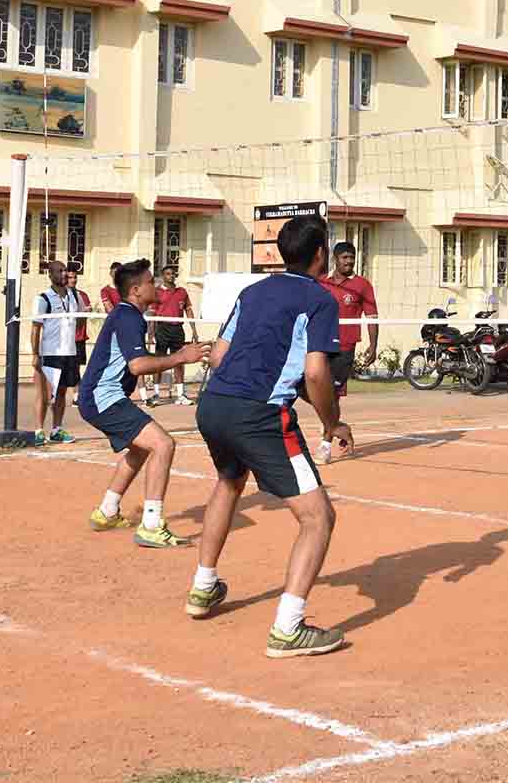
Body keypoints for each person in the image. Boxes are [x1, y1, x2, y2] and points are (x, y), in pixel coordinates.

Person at [187, 214, 352, 657]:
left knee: (229, 482)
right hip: (258, 414)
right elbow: (316, 373)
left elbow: (218, 356)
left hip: (213, 403)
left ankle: (203, 587)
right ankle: (288, 628)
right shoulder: (319, 300)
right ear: (321, 254)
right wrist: (332, 423)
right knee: (318, 518)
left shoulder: (253, 291)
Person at [78, 258, 208, 546]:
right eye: (151, 282)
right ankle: (151, 524)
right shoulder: (128, 316)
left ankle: (107, 511)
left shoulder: (128, 315)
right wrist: (180, 357)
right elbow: (137, 366)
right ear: (136, 290)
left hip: (99, 397)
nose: (157, 285)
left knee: (140, 449)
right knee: (163, 444)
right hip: (103, 398)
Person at [316, 241, 378, 465]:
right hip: (320, 345)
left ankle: (325, 444)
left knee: (333, 395)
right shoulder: (321, 282)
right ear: (335, 259)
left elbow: (372, 317)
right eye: (345, 257)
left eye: (352, 257)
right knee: (312, 391)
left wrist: (373, 345)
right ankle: (337, 427)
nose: (349, 261)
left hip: (344, 348)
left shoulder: (362, 285)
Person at [30, 259, 79, 444]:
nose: (64, 274)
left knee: (61, 393)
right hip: (50, 353)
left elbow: (80, 318)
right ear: (50, 275)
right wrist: (35, 354)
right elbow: (35, 328)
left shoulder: (74, 296)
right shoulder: (43, 298)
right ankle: (38, 431)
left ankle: (56, 429)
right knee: (45, 394)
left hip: (69, 352)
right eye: (59, 271)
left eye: (65, 270)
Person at [146, 264, 196, 407]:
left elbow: (188, 310)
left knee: (179, 361)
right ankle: (156, 394)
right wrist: (151, 333)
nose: (171, 276)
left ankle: (180, 394)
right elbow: (152, 314)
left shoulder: (182, 292)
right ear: (163, 276)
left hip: (177, 329)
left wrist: (194, 330)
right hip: (162, 329)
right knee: (159, 361)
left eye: (173, 273)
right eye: (168, 274)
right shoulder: (157, 292)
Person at [66, 264, 92, 370]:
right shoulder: (60, 295)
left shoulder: (82, 295)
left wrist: (86, 311)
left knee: (76, 368)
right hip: (66, 338)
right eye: (70, 277)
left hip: (79, 337)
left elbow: (87, 311)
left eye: (75, 277)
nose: (73, 280)